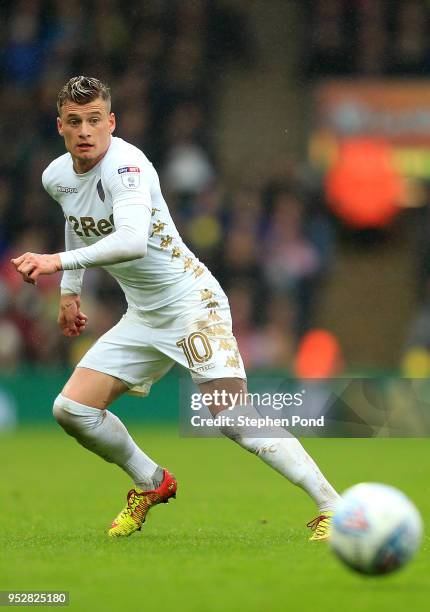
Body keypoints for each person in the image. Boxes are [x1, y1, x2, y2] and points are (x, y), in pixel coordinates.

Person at [11, 76, 340, 540]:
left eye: (94, 121)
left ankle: (334, 507)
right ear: (60, 127)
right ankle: (151, 482)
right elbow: (77, 221)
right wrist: (70, 291)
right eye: (73, 122)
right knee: (71, 410)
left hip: (191, 304)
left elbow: (129, 241)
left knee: (230, 416)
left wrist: (53, 263)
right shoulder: (56, 177)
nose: (85, 131)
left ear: (111, 122)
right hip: (143, 314)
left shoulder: (129, 167)